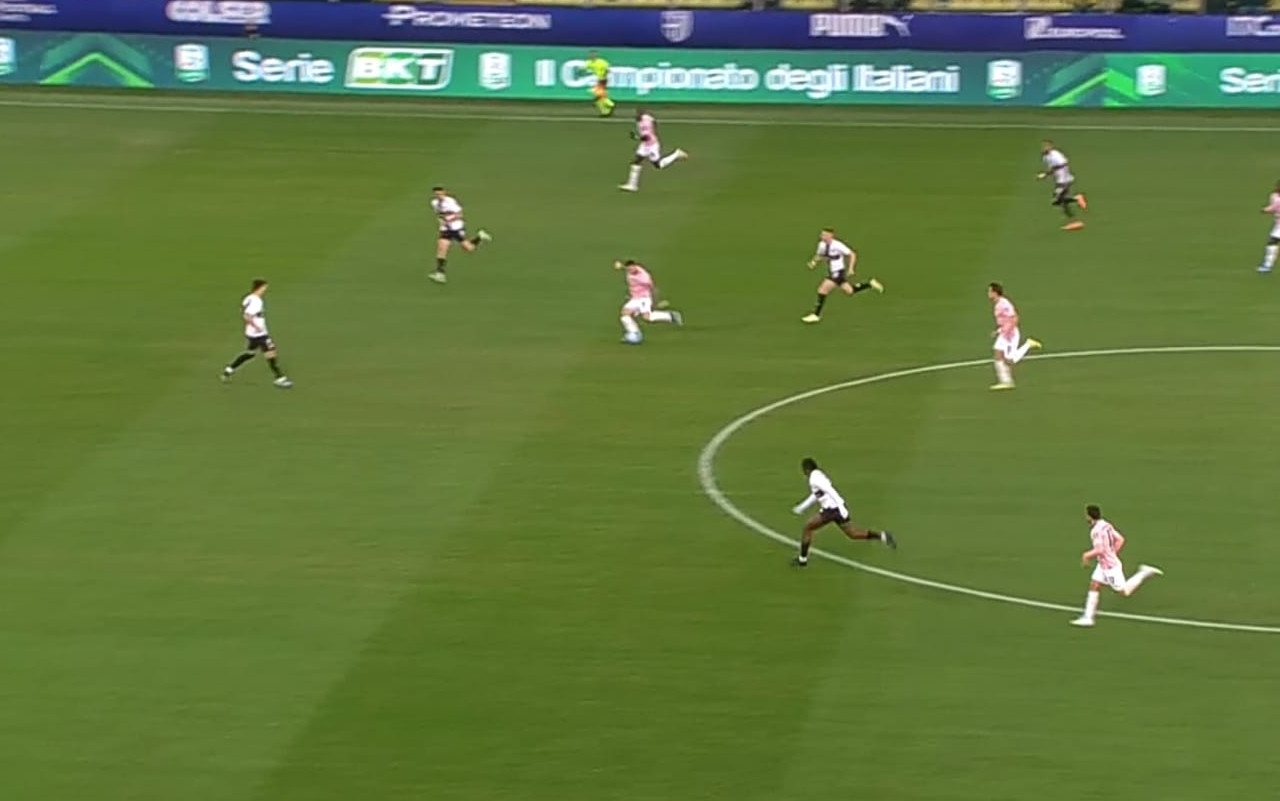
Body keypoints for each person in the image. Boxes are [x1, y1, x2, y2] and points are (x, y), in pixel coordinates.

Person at [791, 457, 895, 566]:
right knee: (853, 534)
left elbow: (830, 490)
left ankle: (802, 560)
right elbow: (817, 495)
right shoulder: (819, 475)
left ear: (807, 469)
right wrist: (802, 507)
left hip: (831, 510)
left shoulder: (814, 478)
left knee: (808, 528)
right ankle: (883, 536)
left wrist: (841, 506)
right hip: (835, 510)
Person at [1071, 505, 1163, 628]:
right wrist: (1112, 553)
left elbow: (1100, 549)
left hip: (1110, 568)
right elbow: (1120, 539)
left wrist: (1086, 555)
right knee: (1094, 585)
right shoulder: (1106, 525)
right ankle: (1088, 618)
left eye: (1086, 515)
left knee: (1124, 592)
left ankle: (1144, 573)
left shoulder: (1095, 531)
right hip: (1104, 564)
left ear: (1089, 516)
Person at [221, 278, 293, 388]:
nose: (265, 290)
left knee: (250, 354)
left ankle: (229, 370)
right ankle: (279, 378)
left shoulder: (248, 298)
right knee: (271, 353)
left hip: (251, 333)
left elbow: (244, 312)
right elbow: (247, 316)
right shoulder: (256, 301)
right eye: (264, 288)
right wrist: (256, 327)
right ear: (259, 288)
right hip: (259, 334)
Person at [801, 228, 883, 324]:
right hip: (831, 272)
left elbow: (852, 254)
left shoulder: (838, 245)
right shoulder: (821, 245)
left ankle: (816, 315)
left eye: (825, 235)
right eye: (822, 235)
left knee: (822, 290)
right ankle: (869, 284)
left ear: (831, 236)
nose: (822, 236)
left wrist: (851, 268)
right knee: (850, 291)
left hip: (838, 272)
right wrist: (814, 262)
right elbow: (820, 255)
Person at [429, 186, 491, 284]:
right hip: (445, 229)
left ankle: (480, 236)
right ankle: (440, 274)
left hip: (456, 228)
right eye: (436, 194)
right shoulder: (434, 203)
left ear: (444, 193)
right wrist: (442, 220)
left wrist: (449, 220)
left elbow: (459, 215)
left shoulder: (451, 202)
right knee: (442, 248)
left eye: (440, 194)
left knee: (469, 248)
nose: (439, 196)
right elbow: (440, 214)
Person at [988, 282, 1041, 391]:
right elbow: (1004, 321)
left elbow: (1014, 317)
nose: (988, 294)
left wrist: (1009, 333)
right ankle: (1006, 381)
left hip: (1009, 335)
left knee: (1010, 360)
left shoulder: (1004, 304)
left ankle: (1028, 344)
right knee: (997, 354)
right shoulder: (998, 304)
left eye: (990, 291)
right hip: (1004, 333)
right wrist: (998, 331)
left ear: (995, 292)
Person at [619, 109, 687, 192]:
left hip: (652, 146)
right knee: (636, 161)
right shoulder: (646, 117)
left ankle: (676, 154)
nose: (635, 116)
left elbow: (646, 137)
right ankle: (632, 185)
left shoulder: (644, 126)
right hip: (645, 145)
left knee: (658, 165)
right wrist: (653, 129)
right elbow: (654, 121)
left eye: (637, 115)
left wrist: (635, 137)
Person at [616, 260, 682, 343]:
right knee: (624, 314)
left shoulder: (644, 277)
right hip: (635, 298)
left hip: (644, 299)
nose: (630, 270)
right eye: (629, 269)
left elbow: (652, 287)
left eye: (631, 268)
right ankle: (634, 333)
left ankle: (671, 316)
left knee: (647, 317)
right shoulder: (631, 271)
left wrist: (655, 299)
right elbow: (628, 270)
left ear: (635, 266)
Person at [1037, 140, 1087, 231]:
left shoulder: (1055, 155)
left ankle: (1077, 200)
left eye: (1046, 146)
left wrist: (1046, 174)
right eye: (1043, 146)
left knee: (1057, 199)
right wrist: (1048, 174)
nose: (1044, 148)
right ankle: (1074, 220)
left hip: (1064, 180)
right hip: (1059, 180)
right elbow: (1052, 168)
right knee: (1060, 201)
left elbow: (1063, 164)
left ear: (1051, 147)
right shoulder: (1045, 157)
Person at [1257, 179, 1280, 274]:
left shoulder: (1277, 199)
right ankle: (1267, 265)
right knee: (1273, 242)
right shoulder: (1275, 197)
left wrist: (1264, 210)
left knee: (1272, 242)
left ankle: (1267, 266)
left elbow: (1272, 208)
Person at [584, 50, 614, 117]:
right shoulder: (589, 63)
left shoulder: (602, 62)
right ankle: (606, 111)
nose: (592, 56)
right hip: (598, 80)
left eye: (594, 55)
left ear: (596, 56)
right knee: (598, 98)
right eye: (591, 55)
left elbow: (608, 70)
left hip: (603, 80)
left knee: (598, 96)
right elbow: (585, 68)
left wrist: (604, 76)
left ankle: (610, 105)